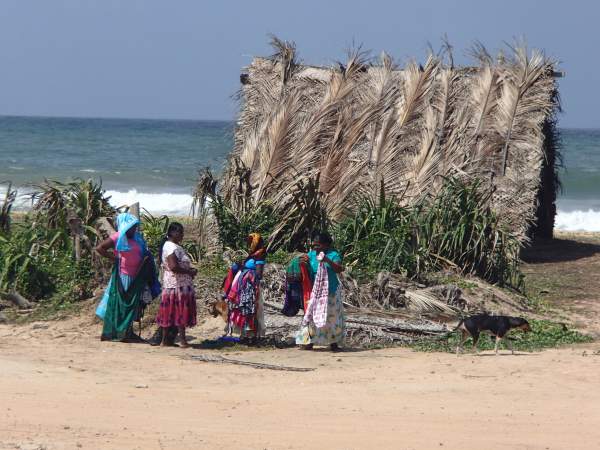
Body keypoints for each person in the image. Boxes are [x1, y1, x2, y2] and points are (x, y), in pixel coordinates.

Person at [96, 212, 160, 342]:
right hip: (123, 276)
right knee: (122, 304)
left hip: (137, 277)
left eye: (135, 226)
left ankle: (128, 332)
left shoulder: (137, 238)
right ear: (125, 226)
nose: (134, 229)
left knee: (133, 305)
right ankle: (119, 332)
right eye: (132, 227)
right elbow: (100, 248)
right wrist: (114, 258)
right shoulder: (118, 237)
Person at [295, 231, 345, 351]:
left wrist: (327, 260)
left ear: (326, 245)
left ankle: (334, 343)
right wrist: (302, 261)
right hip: (315, 292)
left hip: (330, 291)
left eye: (318, 245)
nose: (315, 247)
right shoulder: (312, 255)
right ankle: (309, 341)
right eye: (314, 245)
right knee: (312, 316)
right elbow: (306, 269)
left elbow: (339, 269)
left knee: (332, 317)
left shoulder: (333, 255)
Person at [155, 223, 198, 348]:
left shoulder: (174, 246)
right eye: (180, 233)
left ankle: (166, 341)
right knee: (179, 312)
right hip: (176, 285)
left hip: (178, 284)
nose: (182, 235)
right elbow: (173, 266)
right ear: (173, 233)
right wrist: (189, 272)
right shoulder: (170, 247)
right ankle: (182, 341)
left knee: (171, 312)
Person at [222, 232, 267, 342]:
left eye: (250, 242)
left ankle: (251, 336)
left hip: (250, 287)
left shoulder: (259, 255)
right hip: (245, 287)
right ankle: (246, 335)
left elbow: (259, 273)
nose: (249, 244)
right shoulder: (253, 255)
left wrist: (250, 278)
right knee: (246, 311)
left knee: (250, 311)